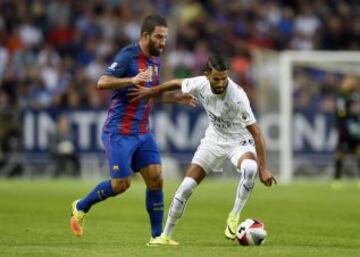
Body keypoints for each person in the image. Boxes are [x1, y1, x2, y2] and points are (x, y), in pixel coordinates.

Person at [70, 14, 195, 245]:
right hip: (119, 132)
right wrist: (130, 79)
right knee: (121, 185)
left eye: (165, 38)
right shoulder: (128, 56)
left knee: (156, 179)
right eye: (159, 37)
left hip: (142, 132)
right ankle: (81, 206)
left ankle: (158, 236)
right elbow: (102, 82)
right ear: (145, 35)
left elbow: (148, 94)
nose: (163, 42)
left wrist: (174, 99)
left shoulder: (156, 60)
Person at [129, 55, 277, 245]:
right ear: (207, 76)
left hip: (239, 141)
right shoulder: (199, 84)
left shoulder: (238, 97)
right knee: (186, 187)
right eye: (216, 78)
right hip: (213, 140)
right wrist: (151, 91)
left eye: (224, 78)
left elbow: (256, 134)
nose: (221, 83)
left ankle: (234, 216)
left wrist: (263, 168)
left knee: (250, 168)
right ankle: (165, 236)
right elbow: (175, 83)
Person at [333, 75, 360, 188]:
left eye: (351, 80)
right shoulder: (342, 96)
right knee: (340, 154)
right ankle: (337, 179)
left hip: (355, 128)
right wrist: (351, 110)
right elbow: (341, 112)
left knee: (359, 151)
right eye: (347, 80)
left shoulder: (356, 95)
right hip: (344, 128)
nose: (349, 82)